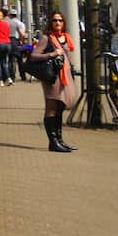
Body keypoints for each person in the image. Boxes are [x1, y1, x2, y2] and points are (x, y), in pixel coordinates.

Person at [29, 13, 79, 153]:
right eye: (54, 20)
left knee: (60, 107)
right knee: (51, 107)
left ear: (64, 22)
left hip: (65, 77)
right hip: (52, 78)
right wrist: (51, 54)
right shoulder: (46, 38)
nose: (57, 22)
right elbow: (33, 55)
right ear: (50, 22)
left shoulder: (66, 37)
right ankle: (53, 142)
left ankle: (60, 140)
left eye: (60, 20)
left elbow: (67, 56)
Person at [7, 10, 30, 80]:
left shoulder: (7, 23)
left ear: (10, 15)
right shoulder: (20, 23)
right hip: (19, 42)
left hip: (9, 41)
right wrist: (22, 42)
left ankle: (12, 76)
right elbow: (23, 34)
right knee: (20, 60)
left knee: (11, 60)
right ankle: (23, 76)